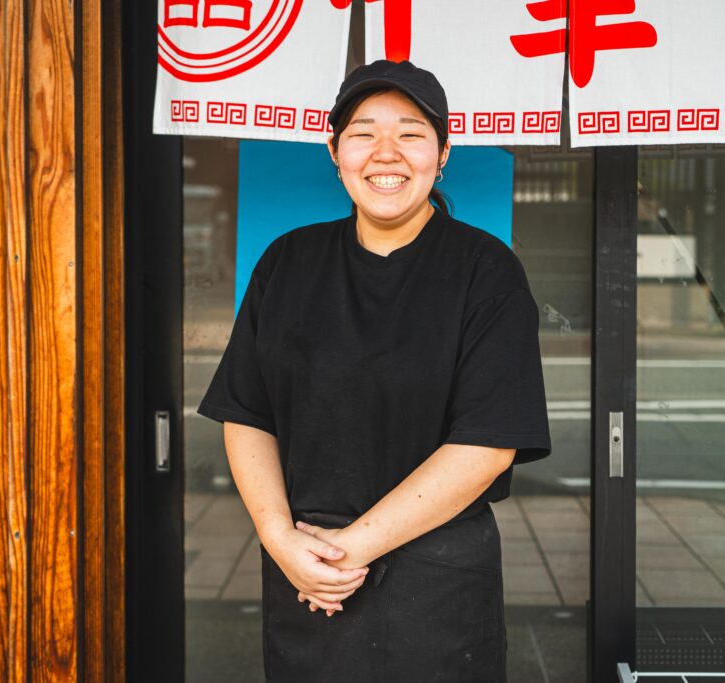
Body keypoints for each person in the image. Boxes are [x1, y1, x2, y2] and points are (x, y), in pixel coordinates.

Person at [197, 60, 551, 682]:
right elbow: (247, 412)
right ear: (335, 151)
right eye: (363, 133)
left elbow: (488, 444)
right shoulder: (288, 261)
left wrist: (342, 554)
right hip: (307, 577)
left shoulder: (485, 271)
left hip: (432, 586)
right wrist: (280, 538)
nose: (386, 153)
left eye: (411, 133)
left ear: (443, 153)